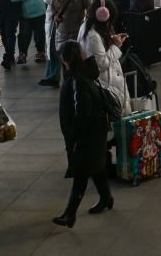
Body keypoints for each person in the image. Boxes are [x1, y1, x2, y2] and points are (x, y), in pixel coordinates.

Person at [52, 40, 113, 228]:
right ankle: (106, 198)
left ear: (64, 60)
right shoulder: (85, 75)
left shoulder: (77, 79)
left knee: (80, 173)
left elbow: (82, 112)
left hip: (86, 135)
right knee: (96, 166)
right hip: (96, 132)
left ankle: (70, 214)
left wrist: (74, 135)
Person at [78, 0, 131, 113]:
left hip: (107, 81)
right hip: (106, 83)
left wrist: (111, 40)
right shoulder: (93, 36)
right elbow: (101, 63)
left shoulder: (90, 29)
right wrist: (115, 46)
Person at [37, 0, 68, 87]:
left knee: (68, 49)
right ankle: (53, 77)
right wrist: (55, 1)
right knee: (53, 47)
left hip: (69, 18)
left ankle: (69, 77)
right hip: (53, 17)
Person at [10, 0, 48, 65]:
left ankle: (40, 52)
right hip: (25, 12)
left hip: (37, 11)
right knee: (23, 34)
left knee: (38, 33)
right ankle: (22, 54)